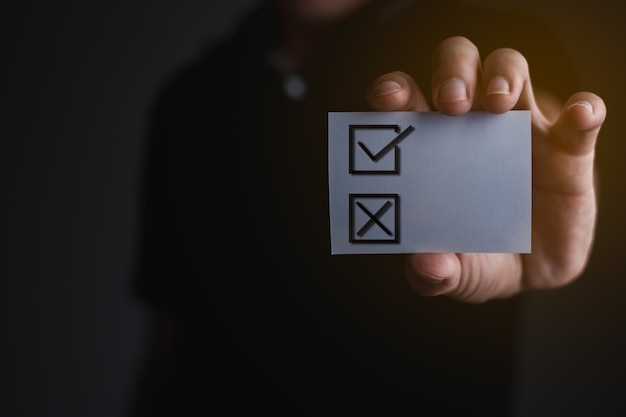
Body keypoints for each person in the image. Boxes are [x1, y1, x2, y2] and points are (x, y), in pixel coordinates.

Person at [128, 0, 606, 415]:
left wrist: (530, 194)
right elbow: (170, 330)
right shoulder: (188, 98)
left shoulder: (498, 41)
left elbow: (540, 121)